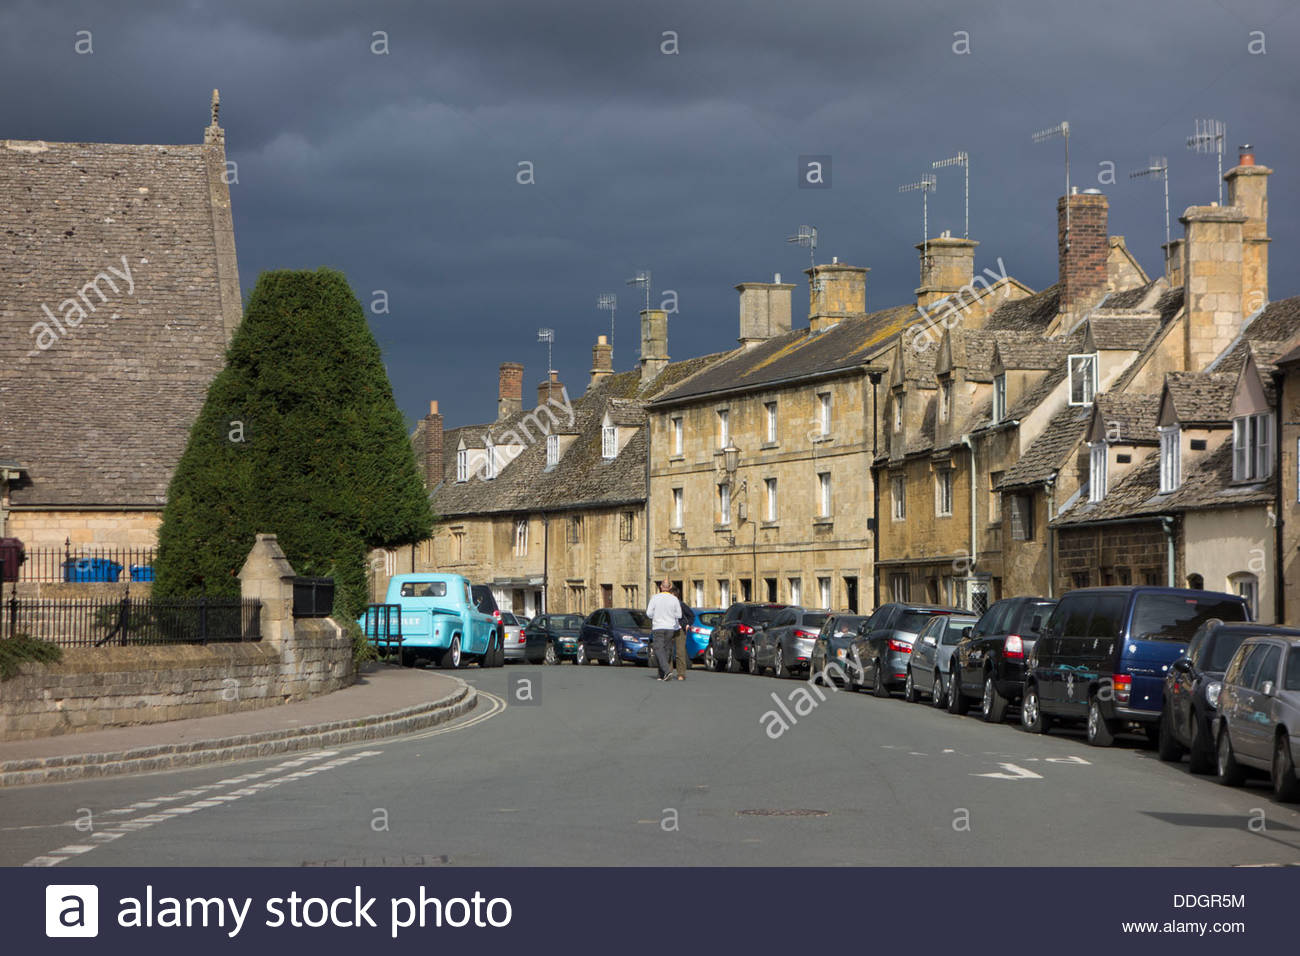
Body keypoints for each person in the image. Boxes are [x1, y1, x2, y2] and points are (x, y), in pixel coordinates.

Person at [645, 579, 683, 682]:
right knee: (666, 650)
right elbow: (679, 615)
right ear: (670, 587)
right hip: (670, 627)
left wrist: (656, 616)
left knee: (658, 648)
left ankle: (666, 671)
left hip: (658, 626)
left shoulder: (655, 598)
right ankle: (662, 674)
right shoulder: (674, 599)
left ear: (661, 587)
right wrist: (670, 615)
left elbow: (648, 613)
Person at [674, 593, 694, 680]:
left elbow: (691, 615)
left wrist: (687, 624)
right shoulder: (666, 604)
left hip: (680, 629)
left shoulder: (681, 604)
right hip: (668, 628)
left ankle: (681, 673)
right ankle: (667, 672)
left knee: (680, 652)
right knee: (667, 651)